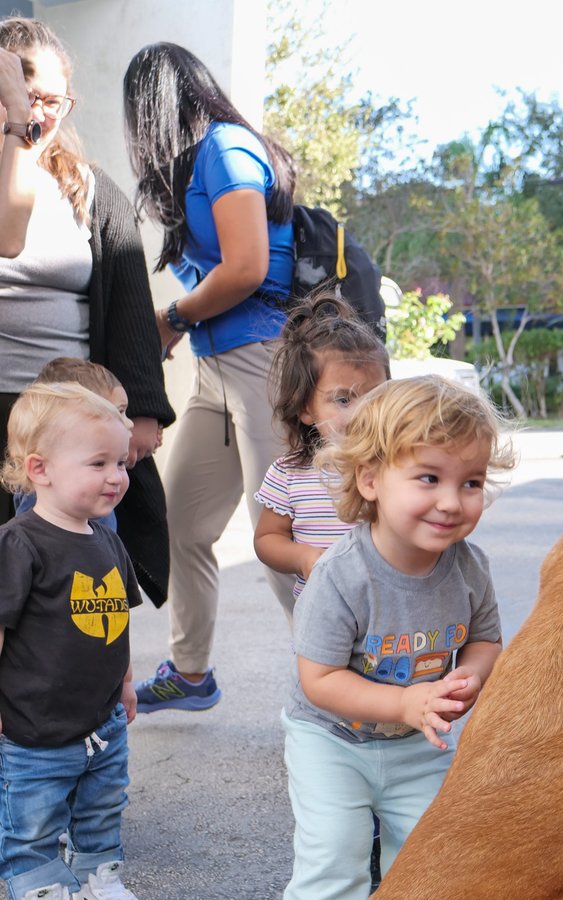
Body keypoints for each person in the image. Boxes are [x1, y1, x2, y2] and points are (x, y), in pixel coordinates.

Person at [282, 376, 514, 900]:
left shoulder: (470, 568)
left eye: (471, 482)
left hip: (417, 745)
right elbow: (318, 679)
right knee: (334, 862)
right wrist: (406, 700)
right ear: (370, 479)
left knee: (431, 861)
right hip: (332, 742)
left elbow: (484, 640)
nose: (452, 502)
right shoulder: (342, 575)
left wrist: (470, 678)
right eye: (429, 478)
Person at [123, 42, 298, 713]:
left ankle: (338, 688)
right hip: (216, 365)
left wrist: (170, 317)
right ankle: (191, 671)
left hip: (265, 360)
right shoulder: (201, 160)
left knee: (278, 531)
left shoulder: (226, 148)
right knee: (183, 522)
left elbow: (249, 267)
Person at [0, 17, 174, 608]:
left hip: (66, 415)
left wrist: (142, 414)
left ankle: (88, 692)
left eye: (56, 100)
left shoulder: (90, 189)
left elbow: (129, 305)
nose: (45, 115)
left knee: (75, 587)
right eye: (32, 98)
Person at [0, 383, 141, 900]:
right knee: (32, 819)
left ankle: (96, 878)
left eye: (121, 464)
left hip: (101, 723)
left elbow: (119, 618)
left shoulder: (106, 538)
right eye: (98, 463)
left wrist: (125, 684)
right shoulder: (19, 543)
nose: (117, 477)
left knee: (101, 808)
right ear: (41, 470)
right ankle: (37, 884)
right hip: (33, 729)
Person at [253, 293, 391, 603]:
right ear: (305, 408)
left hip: (391, 617)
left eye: (375, 396)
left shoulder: (397, 467)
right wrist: (303, 557)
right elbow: (267, 538)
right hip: (323, 614)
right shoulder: (290, 473)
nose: (361, 413)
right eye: (344, 399)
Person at [12, 357, 151, 532]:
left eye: (120, 463)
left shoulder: (104, 528)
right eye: (119, 411)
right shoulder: (41, 504)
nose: (130, 423)